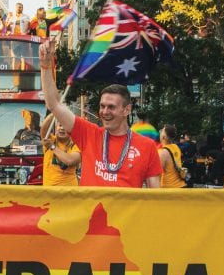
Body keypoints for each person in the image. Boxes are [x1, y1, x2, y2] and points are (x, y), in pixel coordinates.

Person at [38, 39, 161, 188]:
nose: (104, 112)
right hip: (89, 211)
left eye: (111, 107)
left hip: (125, 212)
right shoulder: (89, 134)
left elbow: (155, 196)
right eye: (102, 106)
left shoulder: (147, 147)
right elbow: (54, 104)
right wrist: (45, 65)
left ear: (127, 110)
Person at [40, 114, 81, 186]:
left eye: (65, 126)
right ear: (56, 128)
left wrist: (52, 147)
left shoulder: (76, 144)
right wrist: (54, 111)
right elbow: (44, 129)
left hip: (69, 193)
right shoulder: (51, 140)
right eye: (60, 125)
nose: (62, 128)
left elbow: (70, 161)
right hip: (49, 192)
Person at [158, 125, 188, 189]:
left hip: (169, 188)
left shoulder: (163, 153)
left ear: (164, 137)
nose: (160, 132)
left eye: (162, 131)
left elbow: (158, 175)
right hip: (181, 185)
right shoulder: (176, 147)